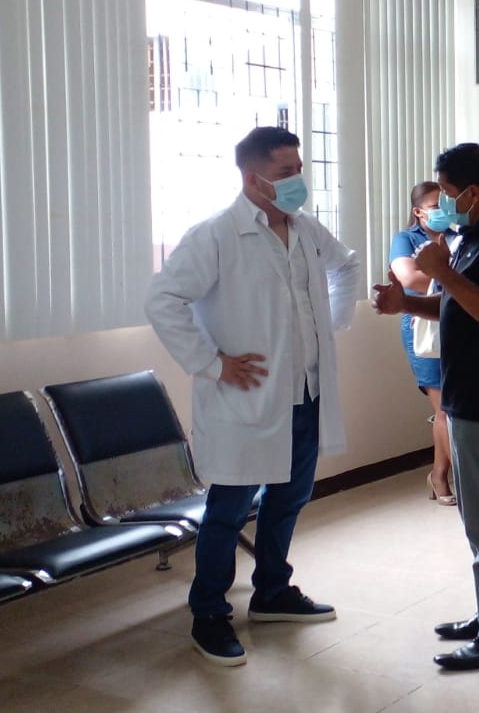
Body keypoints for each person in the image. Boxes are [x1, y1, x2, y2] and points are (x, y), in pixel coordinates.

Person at [145, 126, 363, 666]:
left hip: (305, 391)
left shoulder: (306, 229)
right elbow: (163, 299)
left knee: (289, 498)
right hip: (246, 400)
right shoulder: (216, 235)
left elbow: (347, 265)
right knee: (229, 509)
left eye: (299, 170)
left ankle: (272, 592)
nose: (298, 181)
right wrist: (211, 363)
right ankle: (209, 613)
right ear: (252, 178)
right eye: (286, 172)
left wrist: (331, 327)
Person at [371, 143, 479, 671]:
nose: (441, 203)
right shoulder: (475, 234)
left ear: (471, 191)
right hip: (466, 395)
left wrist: (442, 273)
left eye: (446, 192)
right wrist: (406, 302)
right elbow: (458, 305)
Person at [391, 181, 456, 506]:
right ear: (418, 212)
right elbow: (410, 279)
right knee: (443, 408)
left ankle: (438, 474)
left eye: (446, 204)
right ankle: (448, 478)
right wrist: (454, 279)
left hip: (458, 324)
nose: (442, 211)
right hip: (423, 327)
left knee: (454, 407)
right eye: (434, 206)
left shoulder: (457, 235)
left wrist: (448, 279)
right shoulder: (406, 239)